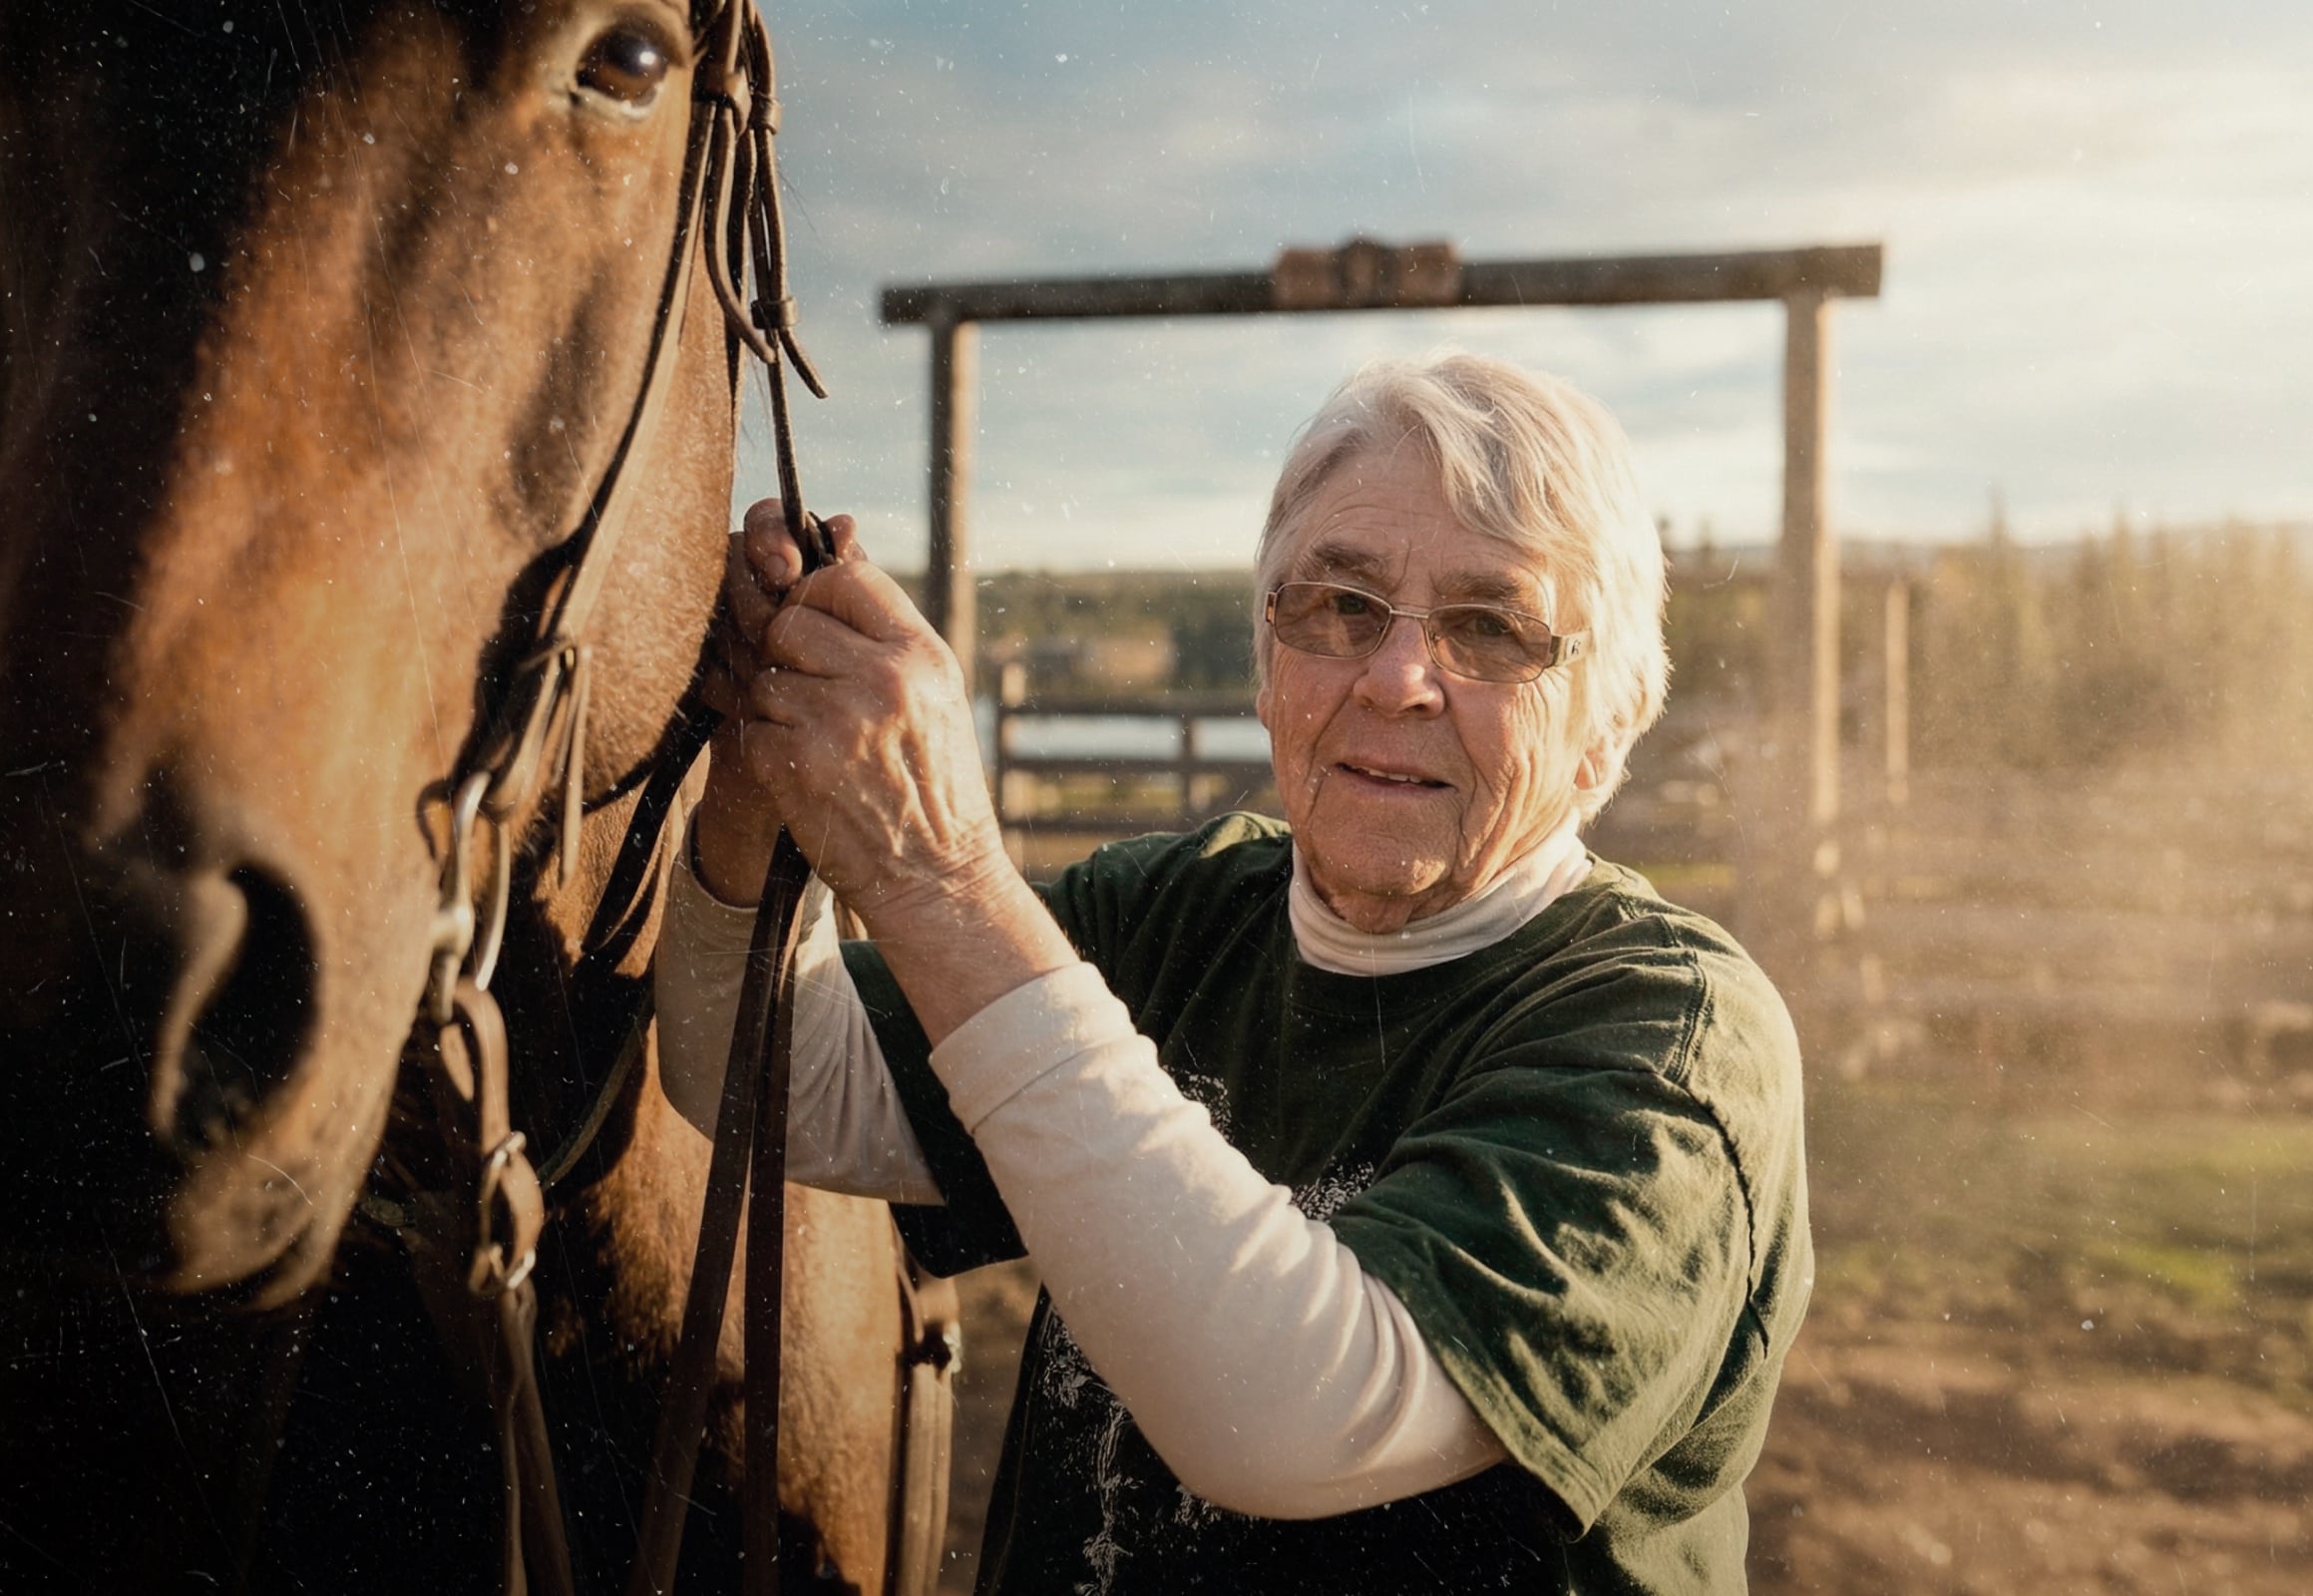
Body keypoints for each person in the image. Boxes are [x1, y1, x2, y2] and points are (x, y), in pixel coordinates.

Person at [655, 351, 1809, 1594]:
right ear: (1269, 669)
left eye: (1491, 628)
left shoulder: (1672, 1038)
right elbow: (774, 1084)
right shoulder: (1180, 912)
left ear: (1611, 721)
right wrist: (762, 769)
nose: (1396, 677)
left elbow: (1293, 1415)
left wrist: (941, 878)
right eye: (1338, 606)